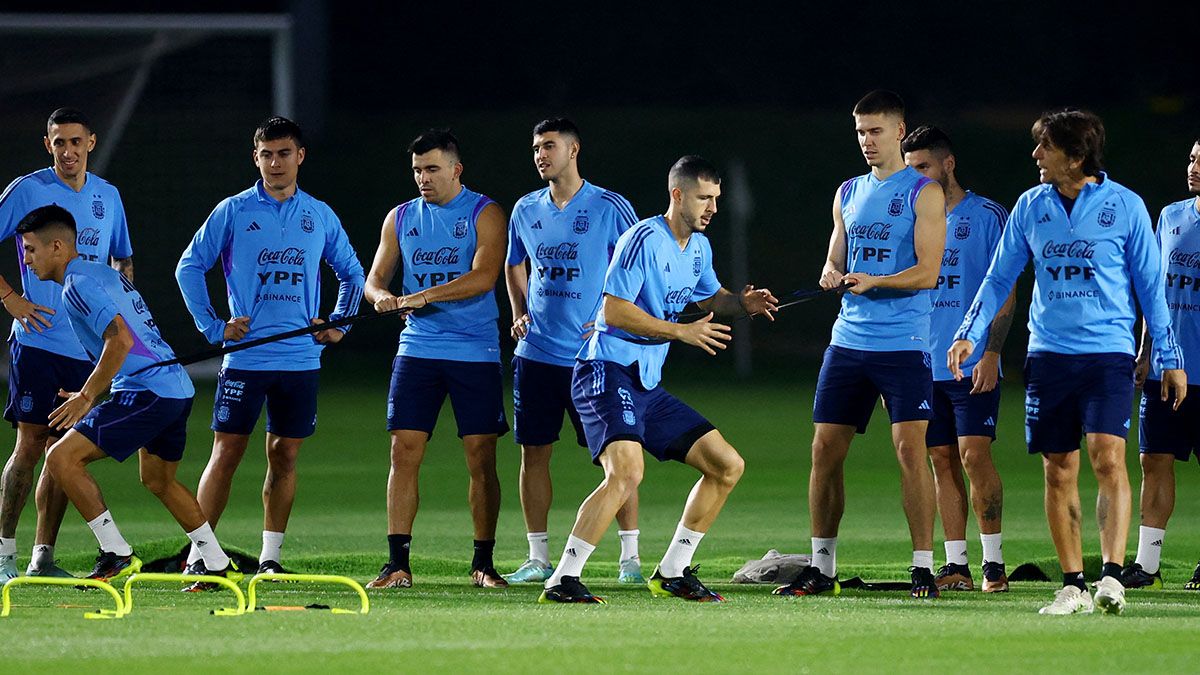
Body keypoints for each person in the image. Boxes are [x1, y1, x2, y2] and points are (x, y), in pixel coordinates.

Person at [950, 108, 1186, 616]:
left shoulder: (1125, 207)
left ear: (1076, 155)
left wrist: (1169, 356)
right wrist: (969, 333)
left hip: (1107, 354)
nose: (1035, 155)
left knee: (1108, 456)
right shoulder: (1031, 206)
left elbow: (1151, 288)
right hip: (1049, 355)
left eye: (1045, 147)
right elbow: (998, 278)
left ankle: (1112, 577)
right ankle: (1073, 584)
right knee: (1058, 469)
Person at [538, 155, 777, 604]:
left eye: (716, 199)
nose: (712, 208)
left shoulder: (699, 247)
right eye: (705, 198)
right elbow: (613, 309)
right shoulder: (643, 238)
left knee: (726, 465)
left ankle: (673, 571)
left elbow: (712, 295)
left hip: (644, 381)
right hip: (606, 369)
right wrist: (680, 331)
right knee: (626, 472)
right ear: (677, 195)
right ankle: (562, 579)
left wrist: (743, 303)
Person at [175, 116, 365, 577]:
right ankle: (200, 557)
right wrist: (214, 327)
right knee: (226, 454)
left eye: (283, 154)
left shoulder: (318, 214)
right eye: (266, 154)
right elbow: (189, 266)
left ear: (300, 157)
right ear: (255, 158)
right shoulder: (234, 211)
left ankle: (270, 559)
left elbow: (352, 274)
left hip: (300, 359)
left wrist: (338, 324)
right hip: (245, 359)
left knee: (285, 455)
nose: (275, 163)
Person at [775, 91, 946, 600]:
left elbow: (929, 271)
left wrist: (876, 280)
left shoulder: (923, 192)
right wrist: (830, 274)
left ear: (899, 131)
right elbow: (834, 258)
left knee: (909, 450)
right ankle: (821, 567)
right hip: (848, 342)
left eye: (875, 131)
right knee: (824, 450)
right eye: (859, 132)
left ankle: (922, 567)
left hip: (904, 343)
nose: (866, 141)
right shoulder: (848, 191)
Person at [17, 205, 237, 587]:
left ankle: (115, 553)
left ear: (56, 247)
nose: (26, 259)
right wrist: (92, 387)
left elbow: (120, 340)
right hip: (174, 390)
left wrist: (87, 396)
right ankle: (216, 562)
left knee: (61, 457)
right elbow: (124, 341)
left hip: (147, 391)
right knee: (158, 480)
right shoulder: (101, 273)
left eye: (31, 249)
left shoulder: (77, 285)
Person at [363, 129, 509, 589]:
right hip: (418, 350)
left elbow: (485, 276)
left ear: (455, 170)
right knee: (403, 452)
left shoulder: (485, 212)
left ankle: (483, 564)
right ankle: (397, 564)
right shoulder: (400, 217)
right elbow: (374, 281)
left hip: (475, 350)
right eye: (416, 171)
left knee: (480, 456)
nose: (423, 178)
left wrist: (422, 295)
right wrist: (383, 297)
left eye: (431, 169)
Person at [504, 118, 644, 584]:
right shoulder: (525, 208)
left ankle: (630, 559)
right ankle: (538, 556)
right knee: (533, 454)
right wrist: (519, 310)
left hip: (596, 356)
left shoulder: (609, 206)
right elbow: (514, 265)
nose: (541, 154)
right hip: (537, 353)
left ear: (574, 149)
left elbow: (637, 267)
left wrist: (615, 317)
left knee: (619, 457)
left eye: (549, 145)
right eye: (536, 147)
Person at [0, 108, 134, 580]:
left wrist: (122, 307)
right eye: (60, 142)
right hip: (38, 343)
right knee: (30, 443)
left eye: (76, 142)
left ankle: (43, 558)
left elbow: (122, 261)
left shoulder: (108, 196)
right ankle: (2, 557)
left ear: (91, 143)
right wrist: (10, 297)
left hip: (86, 350)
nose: (68, 151)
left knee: (64, 448)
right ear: (48, 145)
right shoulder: (27, 190)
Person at [902, 125, 1013, 592]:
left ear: (948, 164)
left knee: (973, 455)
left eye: (924, 167)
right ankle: (957, 565)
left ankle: (994, 564)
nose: (918, 179)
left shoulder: (987, 216)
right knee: (940, 459)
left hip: (971, 362)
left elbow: (1003, 290)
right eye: (911, 171)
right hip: (922, 363)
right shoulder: (909, 217)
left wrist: (991, 351)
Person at [1121, 139, 1200, 591]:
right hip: (1166, 370)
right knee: (1154, 461)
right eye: (1191, 158)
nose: (1192, 167)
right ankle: (1147, 565)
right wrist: (1145, 350)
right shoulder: (1171, 217)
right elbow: (1156, 293)